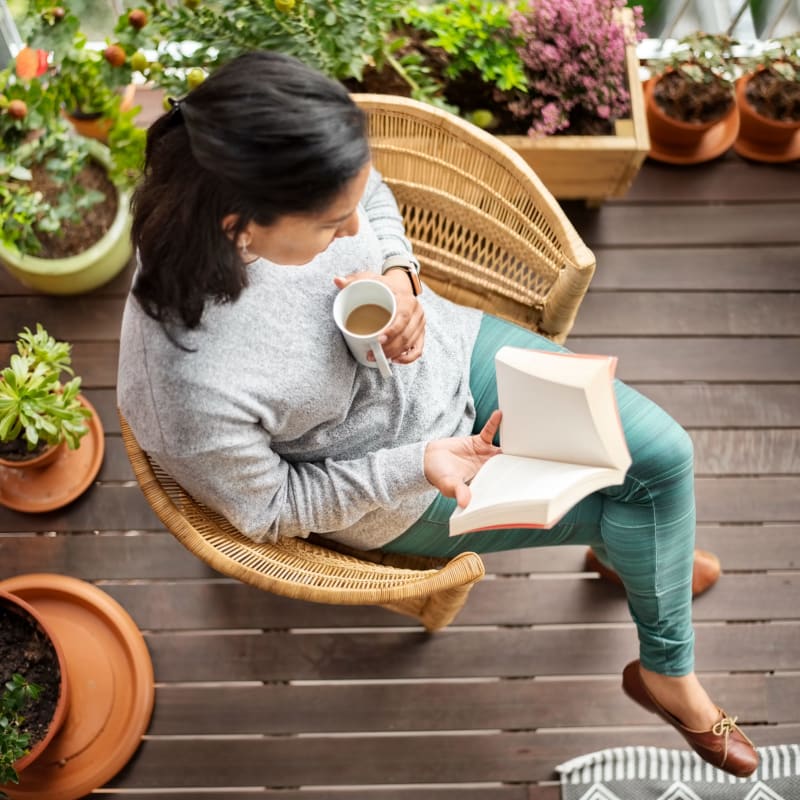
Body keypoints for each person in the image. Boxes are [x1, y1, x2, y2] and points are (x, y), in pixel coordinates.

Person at [117, 50, 758, 777]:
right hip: (403, 480)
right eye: (332, 224)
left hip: (452, 352)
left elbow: (376, 198)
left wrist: (400, 273)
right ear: (241, 226)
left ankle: (638, 567)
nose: (352, 223)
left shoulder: (280, 173)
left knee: (665, 457)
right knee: (632, 500)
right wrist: (416, 462)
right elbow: (266, 509)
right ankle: (667, 672)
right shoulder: (189, 389)